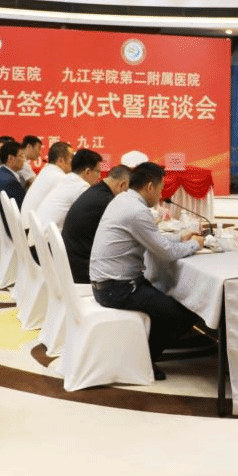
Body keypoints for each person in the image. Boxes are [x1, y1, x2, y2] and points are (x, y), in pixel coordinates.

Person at [89, 162, 206, 380]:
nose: (161, 196)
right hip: (118, 289)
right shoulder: (136, 211)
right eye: (161, 189)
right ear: (150, 186)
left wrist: (181, 237)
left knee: (165, 294)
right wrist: (195, 245)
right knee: (183, 315)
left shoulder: (123, 199)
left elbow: (154, 240)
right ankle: (142, 363)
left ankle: (143, 351)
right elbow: (166, 252)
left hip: (109, 283)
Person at [62, 164, 132, 284]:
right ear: (122, 185)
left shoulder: (94, 190)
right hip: (82, 270)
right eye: (127, 192)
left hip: (71, 263)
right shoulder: (107, 201)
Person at [35, 149, 103, 232]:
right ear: (87, 172)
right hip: (50, 238)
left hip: (39, 235)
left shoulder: (67, 180)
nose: (99, 176)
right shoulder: (82, 187)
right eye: (98, 172)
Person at [21, 141, 73, 217]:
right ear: (60, 161)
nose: (74, 162)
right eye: (71, 158)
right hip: (34, 223)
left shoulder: (47, 171)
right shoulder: (59, 178)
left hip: (29, 221)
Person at [0, 140, 27, 236]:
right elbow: (25, 208)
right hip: (15, 231)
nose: (24, 160)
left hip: (6, 225)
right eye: (21, 156)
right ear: (10, 158)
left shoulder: (2, 173)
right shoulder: (10, 182)